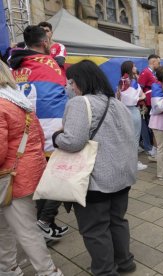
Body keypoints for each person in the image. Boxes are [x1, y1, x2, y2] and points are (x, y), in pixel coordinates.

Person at [54, 60, 137, 275]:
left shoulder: (80, 103)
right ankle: (125, 262)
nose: (70, 87)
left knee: (95, 229)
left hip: (96, 180)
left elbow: (73, 142)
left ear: (80, 80)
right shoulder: (117, 103)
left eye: (71, 82)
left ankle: (104, 270)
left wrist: (56, 137)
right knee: (117, 221)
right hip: (122, 176)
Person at [0, 60, 64, 276]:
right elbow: (37, 137)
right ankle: (7, 267)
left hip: (10, 178)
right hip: (24, 173)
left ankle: (48, 271)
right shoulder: (19, 101)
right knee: (8, 227)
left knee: (24, 230)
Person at [9, 25, 69, 240]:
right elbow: (62, 93)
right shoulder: (51, 64)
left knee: (40, 180)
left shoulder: (13, 64)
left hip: (24, 132)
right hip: (51, 131)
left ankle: (47, 223)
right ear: (44, 42)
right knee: (58, 179)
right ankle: (44, 222)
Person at [117, 60, 148, 171]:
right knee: (134, 137)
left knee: (126, 138)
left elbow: (120, 97)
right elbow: (137, 97)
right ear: (130, 68)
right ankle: (133, 163)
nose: (135, 67)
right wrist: (141, 98)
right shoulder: (131, 81)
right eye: (134, 66)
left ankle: (127, 161)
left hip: (123, 111)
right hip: (132, 111)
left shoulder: (122, 81)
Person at [138, 54, 160, 158]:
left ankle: (153, 146)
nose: (159, 64)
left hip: (152, 103)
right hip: (147, 103)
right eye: (158, 63)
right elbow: (139, 89)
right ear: (153, 62)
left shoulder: (153, 73)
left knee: (152, 125)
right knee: (149, 125)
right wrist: (142, 104)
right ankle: (149, 147)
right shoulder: (145, 72)